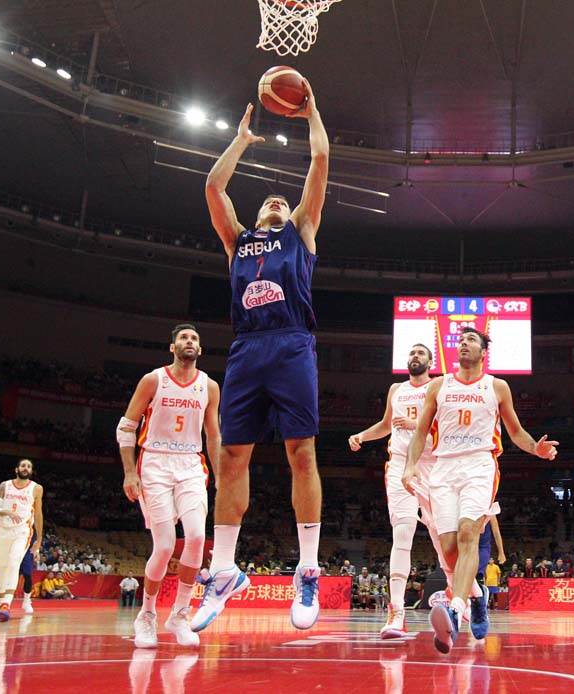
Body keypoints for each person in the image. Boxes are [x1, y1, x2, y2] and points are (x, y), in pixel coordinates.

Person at [192, 82, 330, 634]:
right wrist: (241, 141)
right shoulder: (237, 242)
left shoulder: (301, 231)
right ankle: (223, 572)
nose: (276, 201)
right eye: (268, 200)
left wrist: (312, 112)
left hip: (292, 342)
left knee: (301, 453)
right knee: (230, 459)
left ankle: (309, 570)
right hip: (247, 348)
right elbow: (212, 186)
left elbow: (320, 157)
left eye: (282, 199)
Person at [402, 326, 558, 654]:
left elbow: (515, 432)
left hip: (480, 465)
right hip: (443, 468)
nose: (463, 344)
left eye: (471, 340)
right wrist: (410, 465)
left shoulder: (497, 387)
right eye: (460, 340)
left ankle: (456, 610)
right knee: (448, 547)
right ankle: (478, 595)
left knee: (467, 534)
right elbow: (419, 433)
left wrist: (536, 449)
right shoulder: (438, 385)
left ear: (483, 351)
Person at [118, 324, 220, 648]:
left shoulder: (209, 386)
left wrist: (221, 477)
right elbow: (126, 428)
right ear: (172, 347)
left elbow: (214, 436)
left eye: (194, 339)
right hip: (154, 464)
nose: (189, 342)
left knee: (197, 537)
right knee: (163, 547)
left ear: (200, 350)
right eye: (183, 338)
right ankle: (146, 615)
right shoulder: (153, 380)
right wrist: (129, 473)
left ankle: (179, 614)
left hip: (191, 463)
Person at [348, 343, 447, 638]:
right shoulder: (396, 389)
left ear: (430, 361)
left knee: (442, 535)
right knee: (401, 534)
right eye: (411, 353)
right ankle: (396, 613)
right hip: (400, 467)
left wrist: (417, 424)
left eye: (420, 354)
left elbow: (446, 425)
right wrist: (361, 436)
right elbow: (385, 424)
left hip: (432, 464)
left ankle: (464, 594)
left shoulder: (439, 387)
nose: (414, 356)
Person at [0, 459, 43, 622]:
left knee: (13, 563)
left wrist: (38, 539)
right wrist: (7, 513)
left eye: (29, 466)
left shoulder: (36, 488)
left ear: (31, 471)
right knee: (2, 568)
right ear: (16, 469)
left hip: (22, 531)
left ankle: (6, 606)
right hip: (3, 530)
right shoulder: (4, 485)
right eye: (23, 465)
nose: (26, 468)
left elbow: (38, 514)